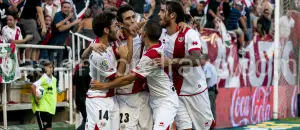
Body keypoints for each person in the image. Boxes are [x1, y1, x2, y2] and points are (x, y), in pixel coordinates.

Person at [91, 19, 179, 130]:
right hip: (156, 99)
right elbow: (137, 28)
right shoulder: (158, 44)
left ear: (145, 34)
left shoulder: (150, 55)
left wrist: (104, 86)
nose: (139, 31)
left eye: (142, 30)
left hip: (166, 100)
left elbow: (128, 79)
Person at [157, 1, 215, 130]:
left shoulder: (190, 33)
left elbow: (196, 59)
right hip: (176, 93)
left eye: (162, 11)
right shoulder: (161, 35)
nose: (158, 13)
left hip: (196, 91)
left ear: (172, 15)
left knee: (206, 127)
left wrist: (171, 62)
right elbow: (143, 27)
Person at [84, 11, 128, 130]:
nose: (118, 29)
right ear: (106, 30)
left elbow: (83, 56)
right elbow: (118, 77)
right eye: (115, 26)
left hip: (111, 98)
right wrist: (123, 58)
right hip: (99, 100)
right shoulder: (100, 54)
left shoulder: (105, 43)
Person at [114, 5, 153, 130]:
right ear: (120, 23)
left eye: (133, 17)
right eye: (127, 19)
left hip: (143, 93)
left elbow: (156, 25)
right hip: (124, 95)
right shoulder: (116, 41)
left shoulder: (145, 37)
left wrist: (143, 23)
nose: (132, 21)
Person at [49, 1, 81, 66]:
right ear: (61, 8)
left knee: (59, 66)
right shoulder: (58, 15)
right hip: (53, 45)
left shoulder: (70, 17)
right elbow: (60, 29)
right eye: (65, 7)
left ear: (71, 9)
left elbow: (74, 31)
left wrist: (78, 24)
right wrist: (73, 23)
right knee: (50, 64)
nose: (67, 9)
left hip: (61, 45)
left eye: (68, 7)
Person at [17, 0, 47, 67]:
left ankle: (33, 61)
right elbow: (39, 12)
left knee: (35, 39)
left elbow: (17, 7)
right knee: (34, 38)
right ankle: (28, 61)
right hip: (28, 20)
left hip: (24, 20)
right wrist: (44, 26)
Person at [31, 61, 56, 130]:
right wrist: (36, 99)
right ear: (44, 69)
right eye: (48, 67)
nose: (50, 69)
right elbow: (33, 86)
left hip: (50, 108)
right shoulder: (43, 79)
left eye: (51, 67)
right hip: (42, 108)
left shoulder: (54, 79)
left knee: (48, 128)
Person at [73, 59, 90, 130]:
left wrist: (76, 102)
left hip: (79, 99)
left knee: (85, 119)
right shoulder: (91, 72)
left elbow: (74, 88)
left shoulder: (77, 72)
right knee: (88, 120)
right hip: (88, 99)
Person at [200, 54, 218, 121]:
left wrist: (202, 87)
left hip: (209, 90)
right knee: (213, 109)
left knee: (207, 109)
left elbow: (207, 77)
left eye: (201, 59)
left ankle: (208, 126)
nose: (199, 61)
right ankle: (213, 126)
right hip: (214, 89)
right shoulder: (212, 66)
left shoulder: (206, 66)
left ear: (204, 59)